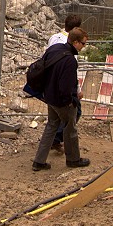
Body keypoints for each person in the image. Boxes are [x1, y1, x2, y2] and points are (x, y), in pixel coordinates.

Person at [32, 28, 90, 171]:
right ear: (75, 42)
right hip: (61, 101)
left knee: (51, 126)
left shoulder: (55, 48)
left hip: (49, 96)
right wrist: (71, 100)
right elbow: (66, 86)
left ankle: (39, 161)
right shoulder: (70, 60)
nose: (83, 47)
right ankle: (73, 159)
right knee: (70, 129)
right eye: (83, 44)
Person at [45, 14, 82, 151]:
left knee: (53, 119)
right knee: (74, 114)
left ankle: (42, 154)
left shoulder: (53, 38)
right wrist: (76, 91)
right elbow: (72, 73)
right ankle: (70, 151)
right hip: (63, 86)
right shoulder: (71, 47)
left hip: (50, 83)